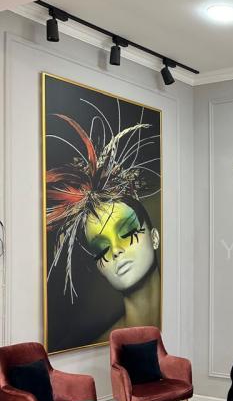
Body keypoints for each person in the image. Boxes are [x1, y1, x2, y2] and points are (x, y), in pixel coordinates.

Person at [46, 112, 161, 342]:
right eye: (102, 249)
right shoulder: (103, 344)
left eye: (127, 232)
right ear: (99, 268)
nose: (116, 250)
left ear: (155, 237)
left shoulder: (188, 315)